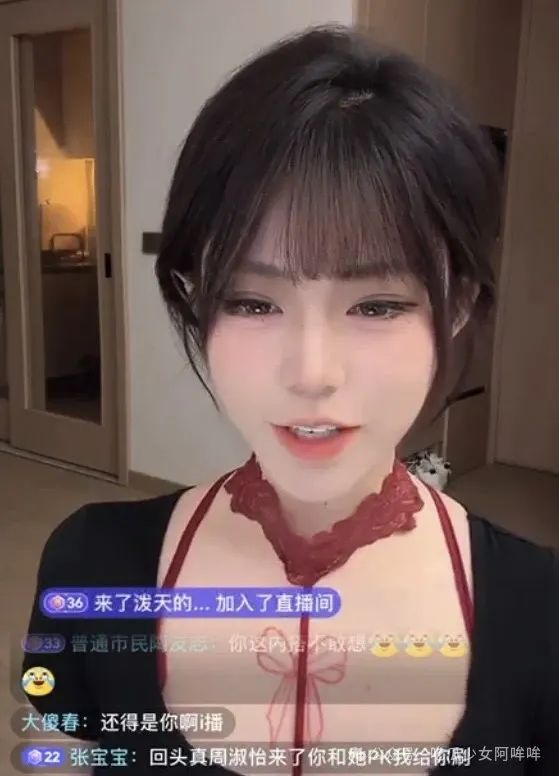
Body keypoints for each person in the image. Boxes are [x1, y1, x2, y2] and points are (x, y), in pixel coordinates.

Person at [22, 24, 558, 775]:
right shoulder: (89, 565)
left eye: (376, 305)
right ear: (194, 296)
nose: (311, 373)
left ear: (458, 305)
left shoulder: (540, 610)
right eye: (251, 301)